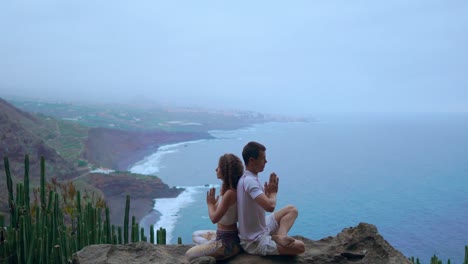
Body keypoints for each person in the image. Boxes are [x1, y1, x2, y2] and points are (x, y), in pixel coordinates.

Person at [237, 141, 305, 256]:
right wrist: (273, 194)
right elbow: (270, 207)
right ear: (252, 160)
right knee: (300, 247)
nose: (266, 161)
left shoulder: (247, 178)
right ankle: (277, 239)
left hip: (261, 228)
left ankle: (281, 236)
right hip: (254, 241)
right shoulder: (250, 182)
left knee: (291, 210)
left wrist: (267, 196)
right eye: (263, 158)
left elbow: (260, 204)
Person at [185, 153, 244, 261]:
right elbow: (223, 213)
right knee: (195, 235)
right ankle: (211, 247)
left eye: (219, 167)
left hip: (227, 243)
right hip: (221, 236)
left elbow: (214, 218)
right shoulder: (228, 190)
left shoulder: (230, 193)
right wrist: (215, 204)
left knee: (189, 255)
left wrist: (210, 204)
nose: (216, 169)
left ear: (225, 171)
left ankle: (220, 250)